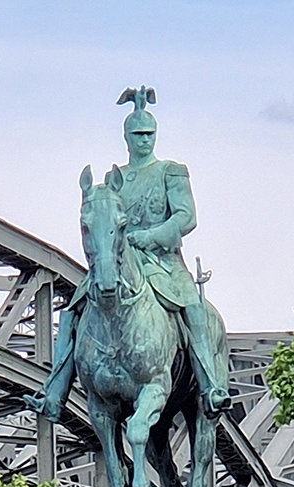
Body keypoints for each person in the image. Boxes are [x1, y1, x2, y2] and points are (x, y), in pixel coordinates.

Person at [25, 86, 231, 421]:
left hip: (163, 263)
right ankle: (54, 392)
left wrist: (150, 236)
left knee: (194, 308)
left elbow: (186, 216)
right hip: (119, 262)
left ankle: (210, 387)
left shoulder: (171, 171)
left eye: (149, 133)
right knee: (73, 311)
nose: (144, 140)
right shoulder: (115, 179)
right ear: (127, 137)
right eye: (138, 134)